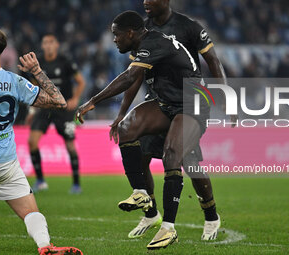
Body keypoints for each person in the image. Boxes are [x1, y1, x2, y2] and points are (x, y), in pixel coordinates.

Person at [76, 11, 210, 250]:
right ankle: (140, 192)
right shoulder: (142, 48)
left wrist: (93, 101)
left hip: (193, 103)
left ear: (130, 33)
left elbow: (129, 78)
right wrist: (120, 116)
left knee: (173, 156)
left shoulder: (154, 43)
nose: (114, 40)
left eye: (116, 35)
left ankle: (168, 228)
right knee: (126, 129)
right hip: (166, 103)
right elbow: (134, 79)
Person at [109, 0, 233, 241]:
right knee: (141, 154)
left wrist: (227, 98)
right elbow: (135, 75)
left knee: (188, 161)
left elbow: (213, 61)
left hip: (187, 103)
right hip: (158, 103)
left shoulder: (189, 27)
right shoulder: (140, 30)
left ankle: (210, 216)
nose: (145, 1)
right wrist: (123, 112)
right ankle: (151, 213)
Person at [0, 26, 82, 255]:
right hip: (5, 163)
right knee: (32, 213)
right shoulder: (14, 81)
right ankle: (45, 246)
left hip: (5, 160)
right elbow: (60, 101)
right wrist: (37, 71)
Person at [25, 34, 85, 194]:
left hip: (64, 109)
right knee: (32, 142)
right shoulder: (38, 63)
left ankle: (76, 184)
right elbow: (34, 87)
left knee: (70, 145)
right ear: (42, 45)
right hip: (45, 108)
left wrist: (75, 99)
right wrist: (32, 110)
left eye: (51, 42)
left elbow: (81, 81)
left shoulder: (65, 61)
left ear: (57, 45)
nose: (48, 45)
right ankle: (40, 181)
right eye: (45, 43)